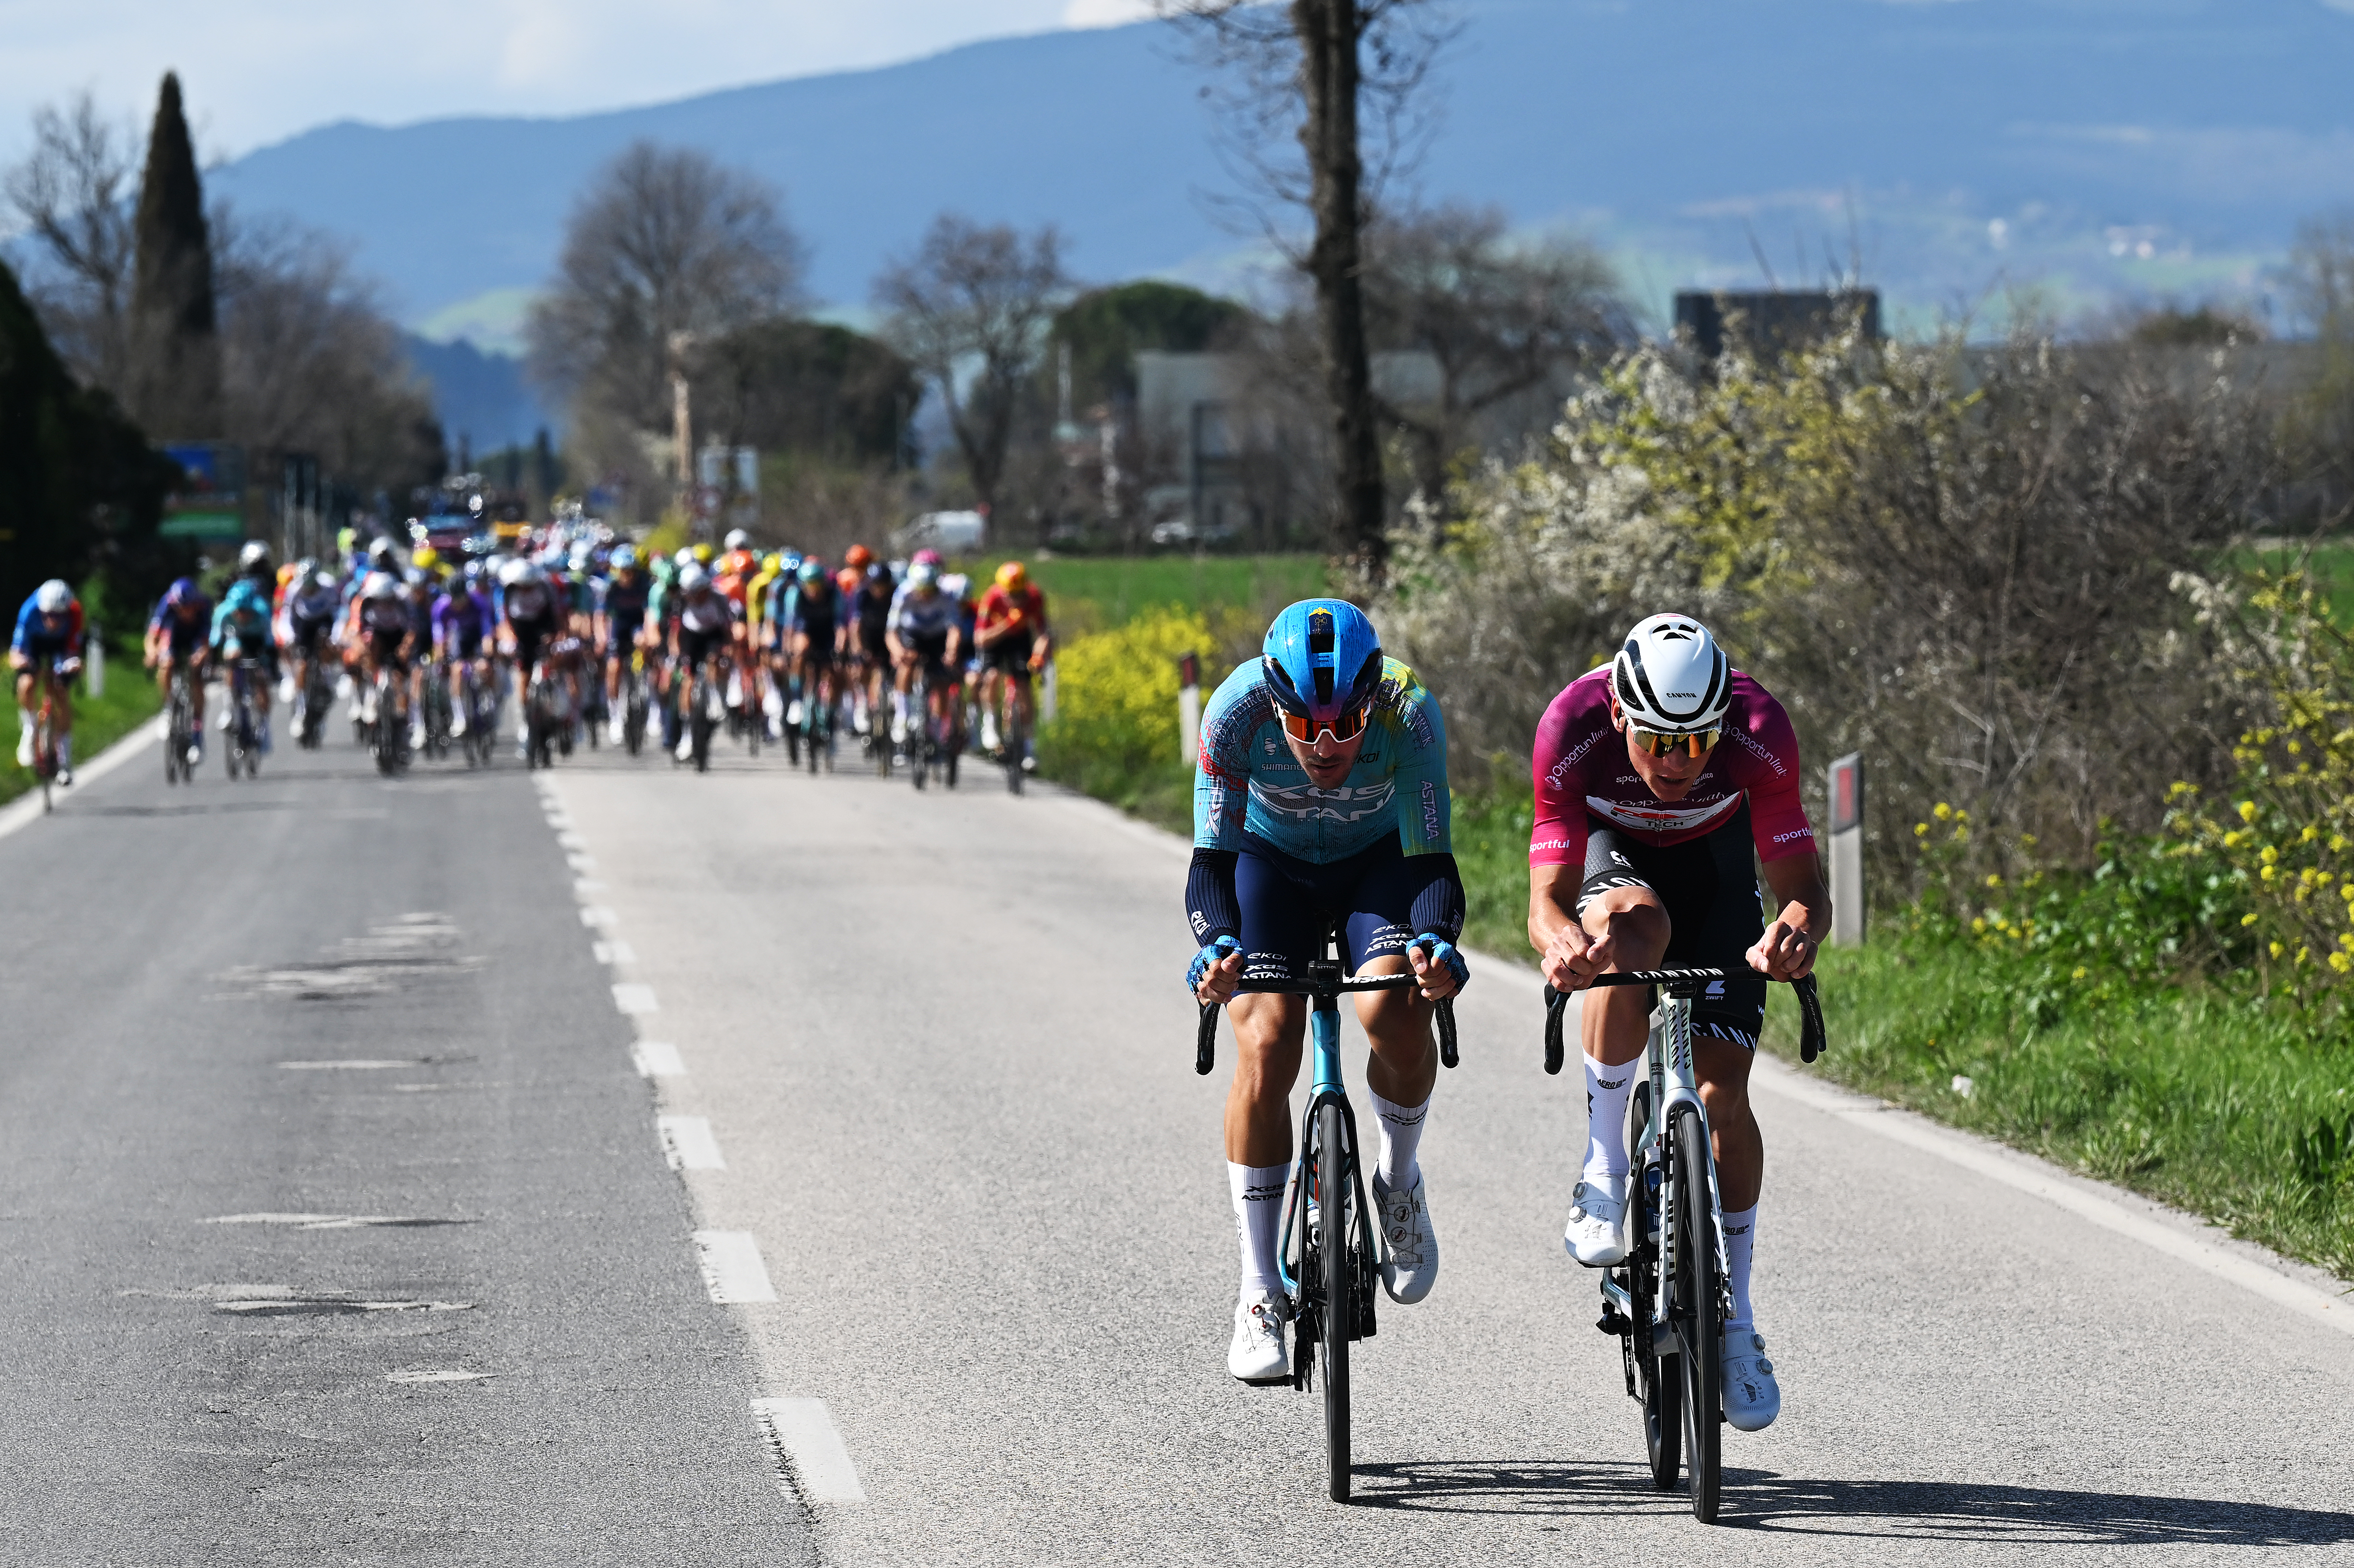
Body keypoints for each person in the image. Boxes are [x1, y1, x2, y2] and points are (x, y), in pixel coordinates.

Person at [1526, 613, 1829, 1433]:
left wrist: (1793, 934)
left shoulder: (1760, 729)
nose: (1676, 762)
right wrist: (1563, 947)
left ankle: (1734, 1321)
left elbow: (1801, 883)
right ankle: (1603, 1165)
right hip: (1617, 865)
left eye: (1697, 743)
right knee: (1627, 938)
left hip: (1718, 873)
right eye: (1658, 740)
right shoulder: (1573, 727)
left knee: (1720, 1096)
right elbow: (1547, 895)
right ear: (1620, 715)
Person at [1186, 599, 1468, 1384]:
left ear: (1370, 702)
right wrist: (1215, 946)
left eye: (1344, 726)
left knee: (1394, 1009)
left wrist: (1435, 941)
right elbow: (1209, 868)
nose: (1326, 747)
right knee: (1267, 1041)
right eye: (1305, 730)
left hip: (1377, 864)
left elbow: (1433, 865)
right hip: (1266, 866)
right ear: (1275, 710)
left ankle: (1399, 1178)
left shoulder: (1410, 712)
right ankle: (1257, 1288)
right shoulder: (1236, 712)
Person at [974, 560, 1050, 768]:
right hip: (995, 639)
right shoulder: (992, 598)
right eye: (1011, 595)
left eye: (1019, 595)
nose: (1015, 600)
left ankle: (1029, 747)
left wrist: (1038, 656)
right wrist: (1008, 624)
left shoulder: (1034, 597)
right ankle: (989, 722)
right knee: (992, 676)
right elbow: (980, 638)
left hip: (1020, 641)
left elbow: (1043, 633)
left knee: (1024, 687)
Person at [884, 559, 962, 758]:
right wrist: (897, 651)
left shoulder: (947, 596)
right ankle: (902, 717)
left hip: (937, 637)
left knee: (942, 682)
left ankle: (936, 727)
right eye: (922, 590)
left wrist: (951, 652)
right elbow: (891, 631)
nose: (926, 596)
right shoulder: (904, 593)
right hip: (913, 635)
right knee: (907, 666)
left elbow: (954, 629)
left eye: (930, 591)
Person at [10, 580, 86, 781]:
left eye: (59, 616)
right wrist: (24, 664)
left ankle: (65, 759)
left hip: (60, 647)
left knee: (61, 694)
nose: (53, 621)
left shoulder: (75, 612)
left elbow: (73, 650)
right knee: (27, 684)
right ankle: (29, 733)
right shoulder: (29, 611)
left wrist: (73, 665)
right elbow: (16, 653)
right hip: (35, 646)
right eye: (48, 615)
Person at [667, 561, 737, 761]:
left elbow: (727, 628)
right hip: (691, 638)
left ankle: (716, 698)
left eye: (697, 592)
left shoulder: (719, 598)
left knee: (715, 659)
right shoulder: (681, 602)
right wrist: (676, 654)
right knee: (688, 680)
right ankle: (687, 734)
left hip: (713, 636)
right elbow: (675, 633)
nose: (694, 597)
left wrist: (729, 647)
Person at [145, 577, 214, 763]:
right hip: (174, 634)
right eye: (180, 608)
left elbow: (208, 642)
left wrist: (202, 655)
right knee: (166, 664)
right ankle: (169, 708)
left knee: (197, 678)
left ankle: (197, 733)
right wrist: (152, 653)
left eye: (189, 607)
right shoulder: (167, 603)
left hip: (196, 637)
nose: (185, 612)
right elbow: (153, 635)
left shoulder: (204, 605)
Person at [210, 573, 279, 752]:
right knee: (231, 656)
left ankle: (264, 727)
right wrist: (212, 665)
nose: (241, 615)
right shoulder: (223, 613)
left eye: (246, 611)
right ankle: (229, 710)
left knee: (261, 679)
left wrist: (270, 666)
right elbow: (215, 642)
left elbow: (270, 643)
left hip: (257, 643)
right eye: (238, 611)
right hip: (236, 640)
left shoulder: (262, 611)